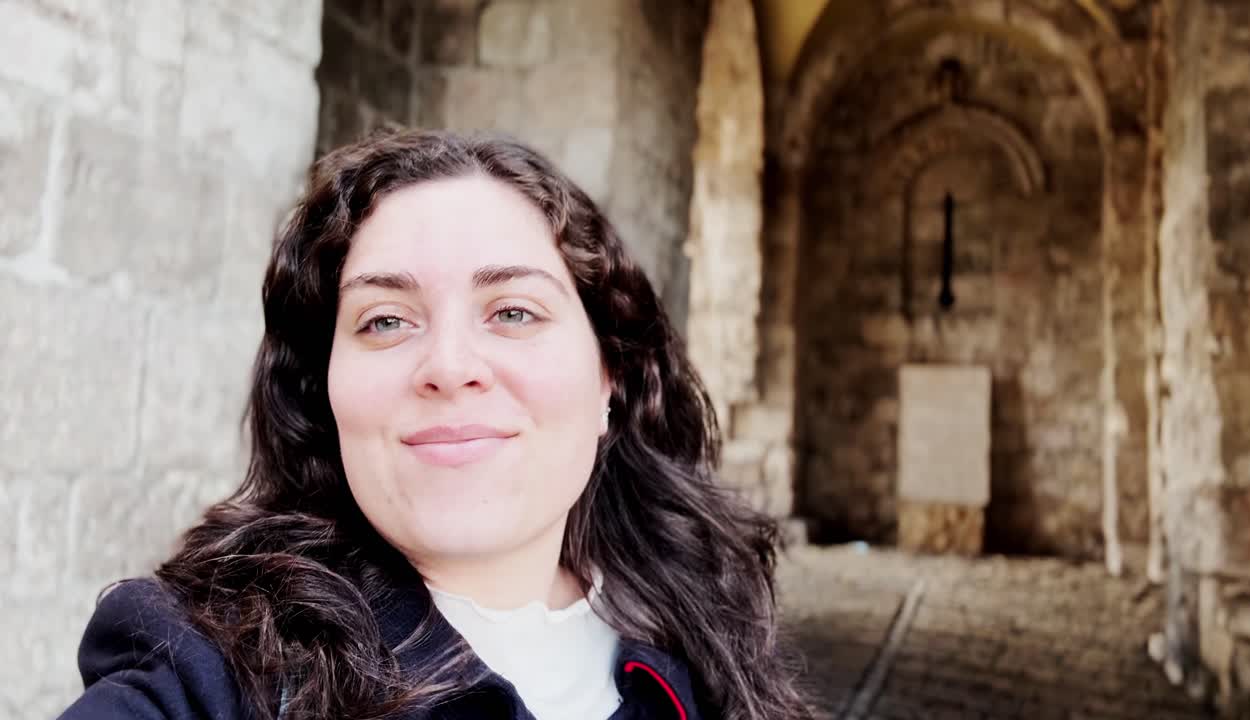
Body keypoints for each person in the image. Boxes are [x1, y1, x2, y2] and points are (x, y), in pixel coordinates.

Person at [57, 130, 813, 720]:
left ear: (610, 374)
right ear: (324, 389)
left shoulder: (704, 645)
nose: (449, 366)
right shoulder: (208, 669)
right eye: (386, 320)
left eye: (513, 312)